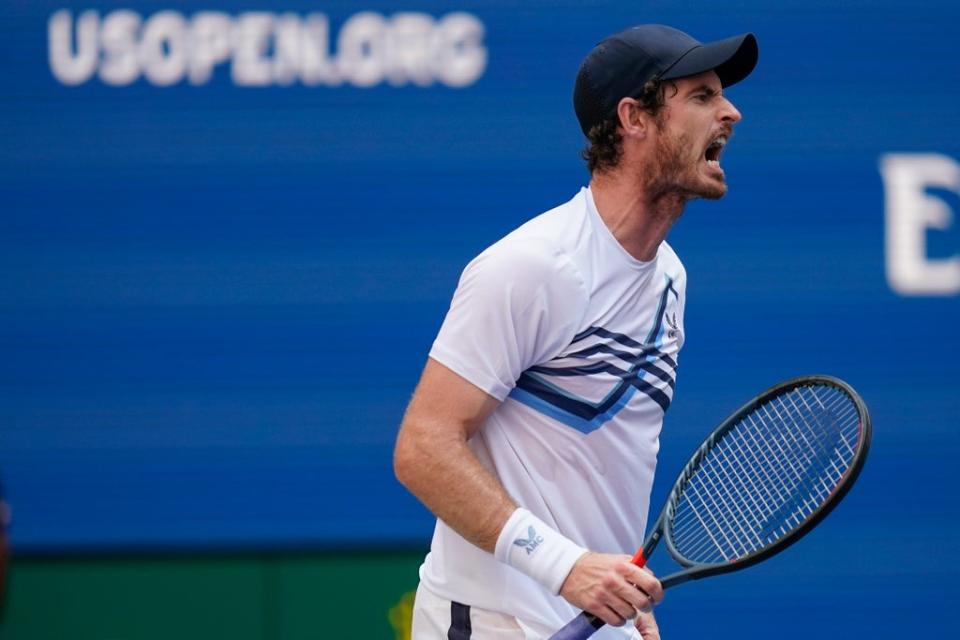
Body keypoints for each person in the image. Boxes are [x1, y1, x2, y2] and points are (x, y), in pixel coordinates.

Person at [394, 24, 758, 640]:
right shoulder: (533, 266)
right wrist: (565, 567)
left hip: (593, 619)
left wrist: (616, 585)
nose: (731, 112)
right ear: (634, 118)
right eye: (701, 96)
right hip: (491, 623)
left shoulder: (670, 278)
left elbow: (592, 463)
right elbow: (423, 447)